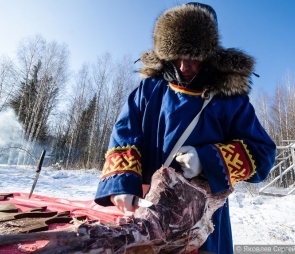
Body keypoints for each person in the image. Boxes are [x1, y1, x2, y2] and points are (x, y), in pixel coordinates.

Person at [94, 2, 276, 254]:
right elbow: (124, 138)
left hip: (203, 225)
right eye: (177, 55)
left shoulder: (230, 99)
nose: (183, 66)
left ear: (209, 54)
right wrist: (122, 185)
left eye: (193, 56)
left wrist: (209, 159)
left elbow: (263, 153)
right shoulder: (148, 91)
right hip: (148, 215)